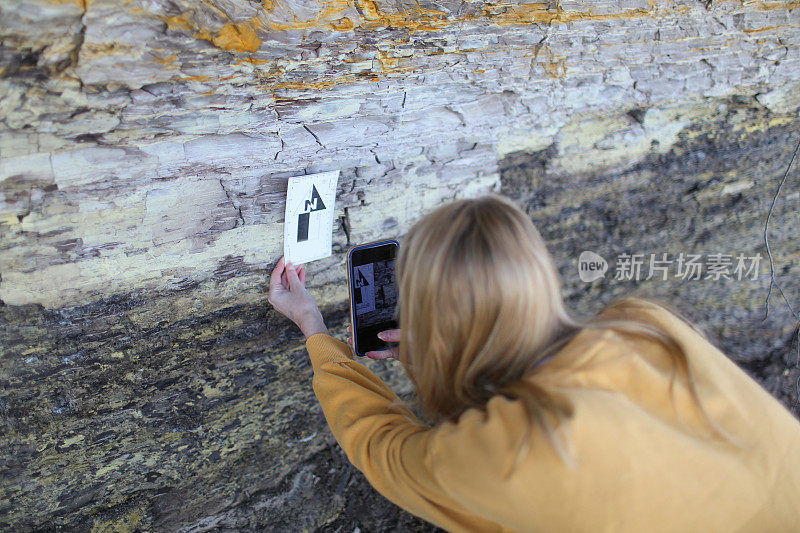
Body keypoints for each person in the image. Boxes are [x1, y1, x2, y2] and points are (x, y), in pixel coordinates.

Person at [268, 194, 800, 532]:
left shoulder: (510, 448)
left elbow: (383, 449)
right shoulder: (648, 328)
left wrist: (315, 328)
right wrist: (444, 344)